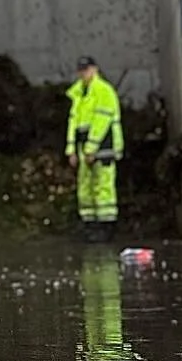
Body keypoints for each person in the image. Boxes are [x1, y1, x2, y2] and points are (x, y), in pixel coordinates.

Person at [65, 55, 123, 240]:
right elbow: (74, 124)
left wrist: (91, 148)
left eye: (87, 69)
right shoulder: (79, 94)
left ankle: (106, 228)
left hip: (103, 145)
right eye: (81, 70)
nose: (84, 73)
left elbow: (101, 122)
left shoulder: (103, 91)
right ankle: (91, 226)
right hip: (85, 147)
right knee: (85, 187)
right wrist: (72, 150)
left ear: (95, 69)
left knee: (102, 186)